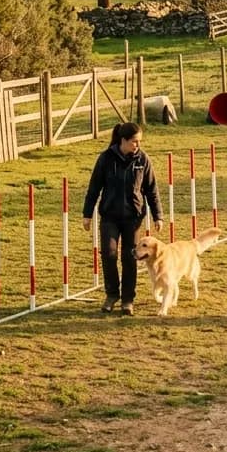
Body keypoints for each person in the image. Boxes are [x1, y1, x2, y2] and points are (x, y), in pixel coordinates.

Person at [82, 122, 163, 316]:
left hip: (133, 218)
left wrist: (158, 215)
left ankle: (128, 300)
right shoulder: (106, 158)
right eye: (134, 141)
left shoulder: (143, 160)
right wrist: (87, 214)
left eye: (139, 141)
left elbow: (152, 190)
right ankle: (111, 295)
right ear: (123, 140)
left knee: (130, 256)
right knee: (109, 254)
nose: (138, 145)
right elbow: (94, 188)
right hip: (109, 216)